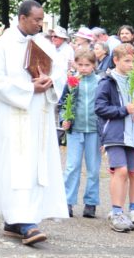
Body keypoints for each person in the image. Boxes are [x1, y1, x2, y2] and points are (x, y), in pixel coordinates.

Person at [0, 0, 68, 246]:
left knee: (35, 167)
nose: (41, 24)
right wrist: (29, 88)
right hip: (14, 117)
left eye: (42, 20)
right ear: (22, 18)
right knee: (17, 167)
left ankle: (17, 222)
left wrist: (50, 81)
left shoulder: (44, 43)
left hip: (39, 117)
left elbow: (60, 70)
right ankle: (23, 222)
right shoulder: (3, 44)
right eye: (36, 20)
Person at [95, 43, 134, 232]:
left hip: (132, 135)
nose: (131, 65)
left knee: (131, 172)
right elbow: (100, 108)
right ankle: (116, 212)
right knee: (121, 171)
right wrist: (123, 110)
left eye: (133, 62)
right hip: (114, 134)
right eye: (127, 61)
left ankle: (125, 212)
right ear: (115, 60)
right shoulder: (107, 82)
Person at [59, 49, 101, 219]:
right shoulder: (72, 82)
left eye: (87, 65)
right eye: (80, 64)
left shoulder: (100, 82)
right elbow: (63, 103)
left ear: (94, 65)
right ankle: (67, 201)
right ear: (75, 64)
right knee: (72, 167)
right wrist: (64, 118)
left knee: (93, 168)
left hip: (94, 130)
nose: (83, 68)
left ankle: (91, 202)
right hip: (75, 130)